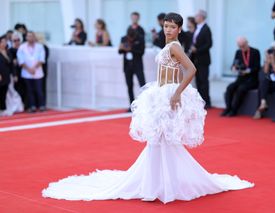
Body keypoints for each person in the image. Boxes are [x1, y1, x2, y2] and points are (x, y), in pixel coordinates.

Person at [42, 13, 253, 204]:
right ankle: (159, 184)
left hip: (168, 95)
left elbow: (191, 69)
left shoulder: (175, 47)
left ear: (179, 29)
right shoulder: (168, 46)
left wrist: (177, 93)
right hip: (160, 94)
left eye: (172, 27)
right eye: (166, 26)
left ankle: (161, 186)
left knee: (162, 140)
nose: (168, 29)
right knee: (160, 140)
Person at [221, 37, 261, 117]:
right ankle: (228, 108)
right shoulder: (238, 52)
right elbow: (234, 64)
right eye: (240, 46)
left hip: (252, 79)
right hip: (241, 78)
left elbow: (257, 67)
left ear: (247, 43)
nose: (242, 48)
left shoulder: (255, 52)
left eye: (243, 46)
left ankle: (234, 110)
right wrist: (234, 68)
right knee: (230, 88)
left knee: (241, 89)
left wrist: (248, 71)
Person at [253, 41, 275, 119]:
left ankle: (259, 109)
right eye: (272, 50)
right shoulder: (269, 58)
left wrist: (272, 61)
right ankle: (263, 103)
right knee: (263, 81)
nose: (274, 52)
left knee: (262, 86)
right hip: (271, 82)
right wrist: (267, 61)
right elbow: (265, 71)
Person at [17, 31, 46, 113]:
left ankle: (41, 105)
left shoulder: (40, 47)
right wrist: (29, 69)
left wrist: (34, 68)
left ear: (34, 37)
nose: (30, 38)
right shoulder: (22, 47)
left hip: (37, 72)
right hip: (26, 72)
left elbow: (41, 59)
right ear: (26, 37)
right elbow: (21, 60)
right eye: (28, 36)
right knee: (29, 91)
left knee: (39, 90)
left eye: (31, 36)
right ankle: (32, 106)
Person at [190, 10, 213, 108]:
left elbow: (209, 44)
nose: (195, 18)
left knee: (204, 81)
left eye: (196, 16)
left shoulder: (206, 29)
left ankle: (207, 102)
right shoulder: (197, 28)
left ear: (201, 17)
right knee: (198, 81)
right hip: (196, 59)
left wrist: (197, 50)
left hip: (203, 59)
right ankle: (200, 101)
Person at [118, 28, 146, 109]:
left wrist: (131, 49)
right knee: (129, 86)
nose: (130, 39)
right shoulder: (123, 38)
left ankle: (145, 105)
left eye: (132, 38)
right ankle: (132, 106)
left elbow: (142, 52)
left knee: (142, 85)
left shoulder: (140, 38)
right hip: (127, 66)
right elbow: (120, 52)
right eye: (129, 38)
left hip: (137, 65)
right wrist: (122, 48)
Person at [8, 33, 26, 108]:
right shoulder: (10, 51)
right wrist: (14, 74)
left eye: (18, 40)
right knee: (17, 89)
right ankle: (18, 105)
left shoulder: (24, 48)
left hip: (25, 72)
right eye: (14, 40)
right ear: (12, 41)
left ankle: (25, 104)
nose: (17, 42)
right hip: (16, 73)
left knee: (25, 88)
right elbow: (12, 64)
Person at [0, 36, 13, 115]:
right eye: (3, 42)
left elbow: (10, 63)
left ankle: (3, 109)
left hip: (6, 75)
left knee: (4, 93)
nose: (4, 43)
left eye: (5, 42)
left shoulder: (8, 52)